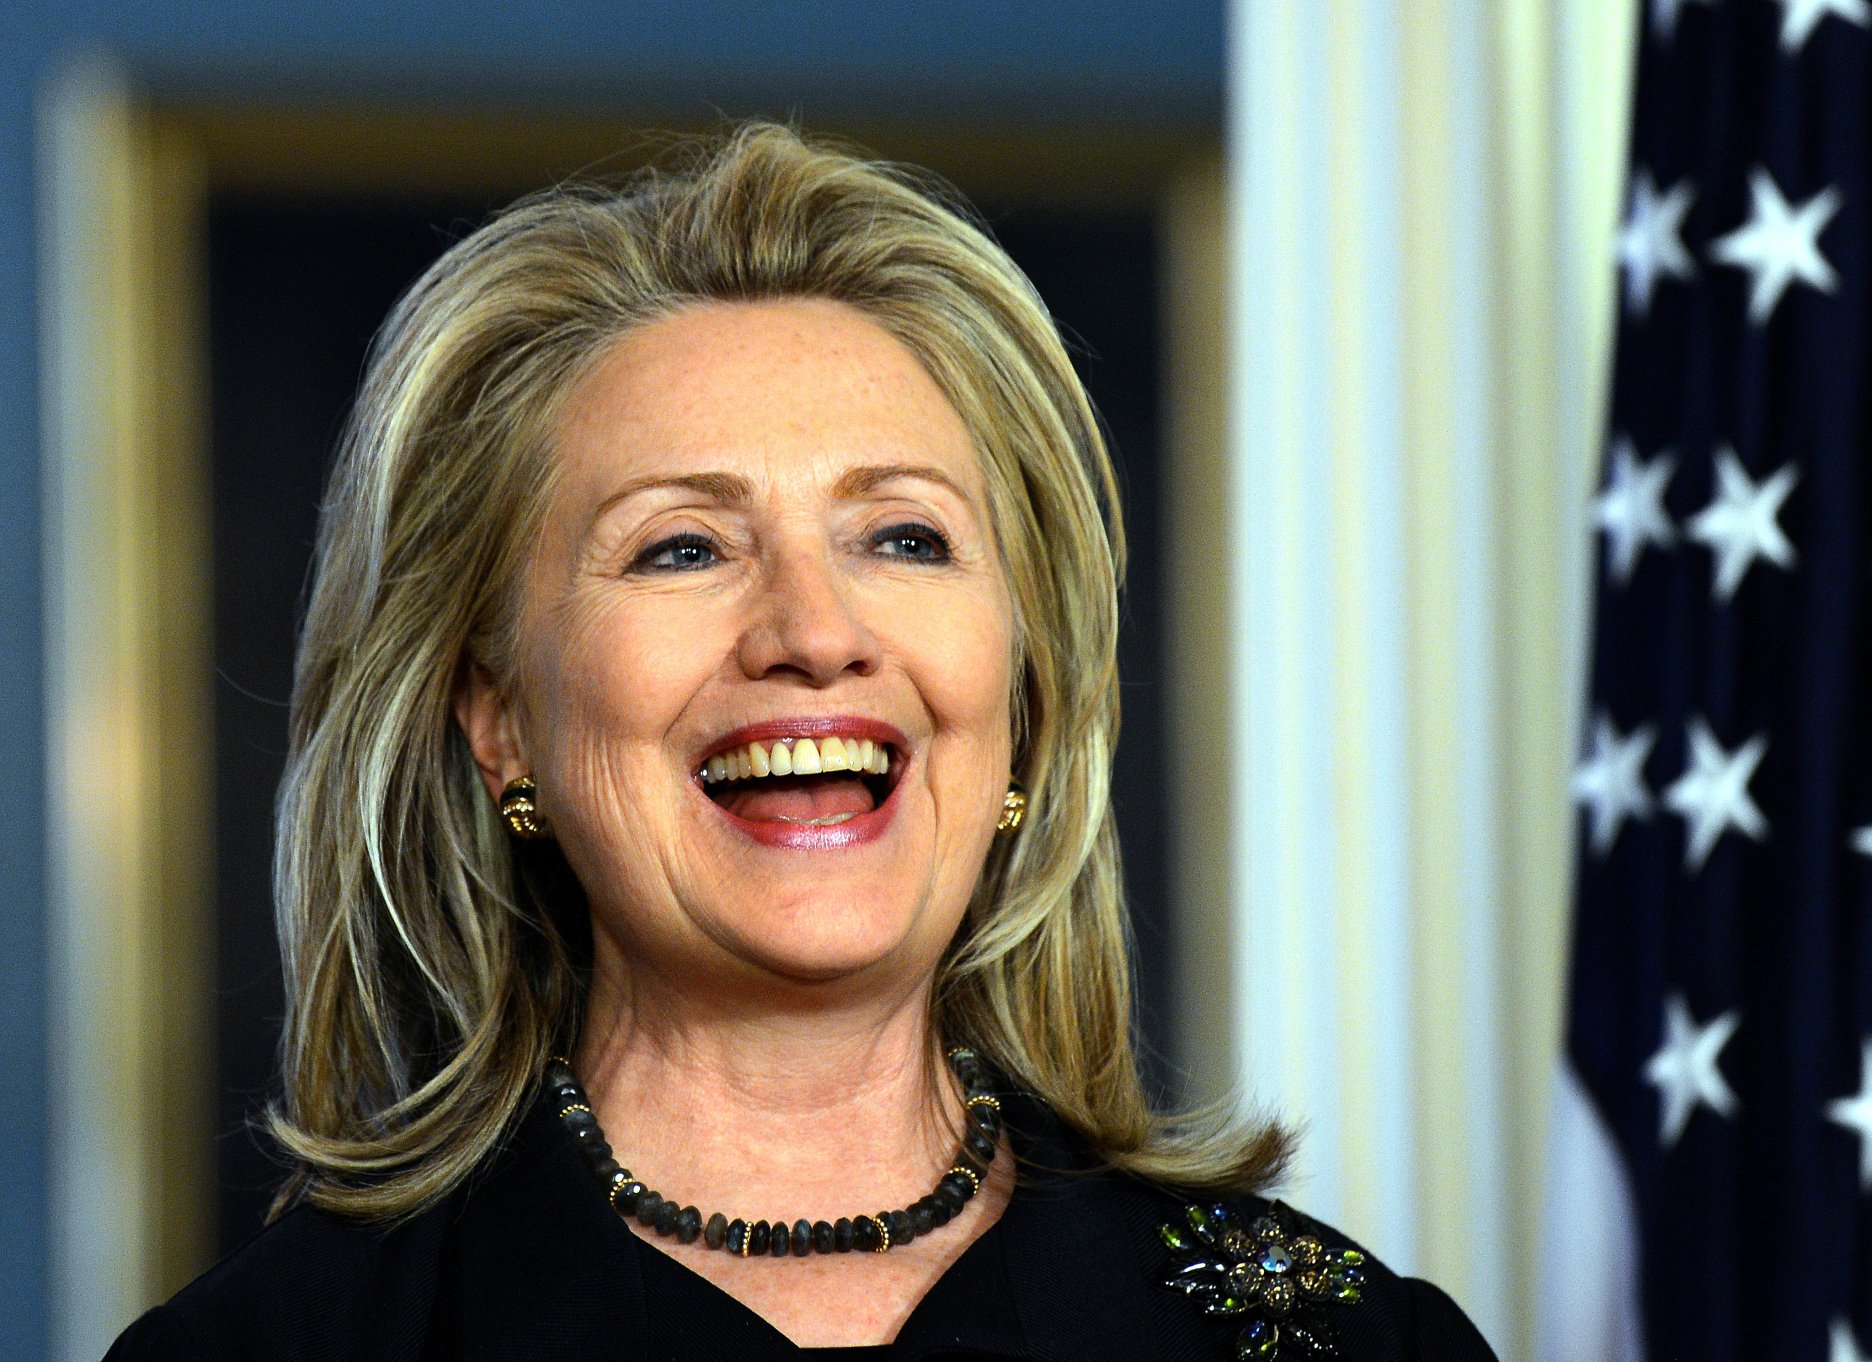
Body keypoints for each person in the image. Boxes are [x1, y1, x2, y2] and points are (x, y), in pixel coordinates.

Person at [107, 123, 1498, 1360]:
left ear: (1021, 703)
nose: (814, 630)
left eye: (903, 535)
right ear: (498, 720)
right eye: (682, 545)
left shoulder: (1342, 1341)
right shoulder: (267, 1347)